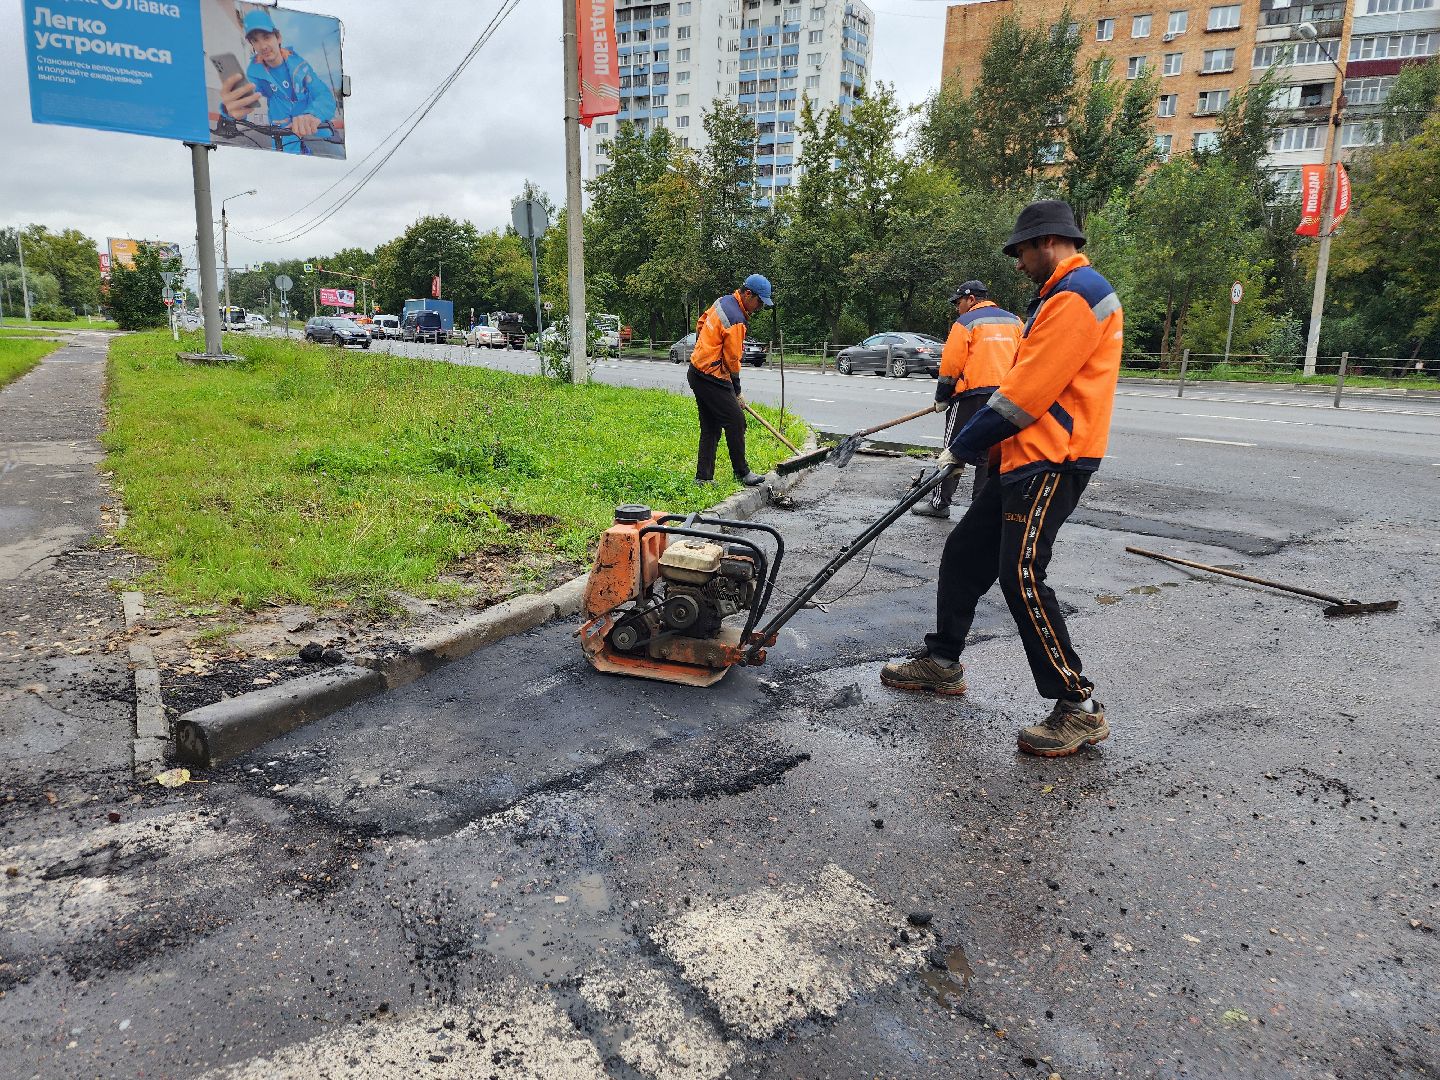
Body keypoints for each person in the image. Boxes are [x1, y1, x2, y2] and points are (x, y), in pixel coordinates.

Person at [881, 200, 1123, 759]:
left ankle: (1077, 707)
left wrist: (960, 447)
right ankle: (942, 661)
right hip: (1025, 457)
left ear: (1047, 242)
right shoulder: (1059, 297)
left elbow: (1024, 394)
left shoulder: (1078, 297)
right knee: (965, 552)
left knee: (1021, 576)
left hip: (1053, 459)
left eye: (1020, 252)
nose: (1017, 264)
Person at [912, 280, 1023, 519]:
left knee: (954, 449)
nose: (956, 307)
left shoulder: (965, 323)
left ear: (971, 299)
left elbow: (951, 366)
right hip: (1005, 396)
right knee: (989, 454)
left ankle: (940, 504)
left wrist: (942, 397)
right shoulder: (1015, 322)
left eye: (958, 302)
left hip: (970, 396)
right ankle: (979, 511)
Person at [688, 274, 773, 487]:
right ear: (747, 294)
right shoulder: (736, 319)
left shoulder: (723, 301)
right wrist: (737, 391)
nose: (759, 307)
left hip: (697, 371)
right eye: (759, 302)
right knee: (736, 421)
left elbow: (700, 324)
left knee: (711, 427)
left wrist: (705, 349)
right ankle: (742, 472)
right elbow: (732, 359)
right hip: (712, 377)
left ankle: (703, 478)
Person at [219, 10, 338, 154]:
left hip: (317, 130)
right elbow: (245, 99)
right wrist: (229, 110)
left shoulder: (300, 65)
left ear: (278, 37)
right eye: (255, 41)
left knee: (335, 154)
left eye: (266, 37)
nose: (262, 46)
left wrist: (313, 114)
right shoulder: (254, 72)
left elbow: (324, 94)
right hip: (283, 134)